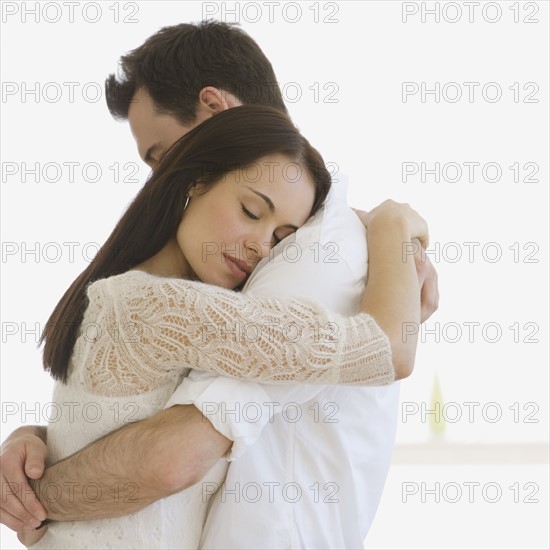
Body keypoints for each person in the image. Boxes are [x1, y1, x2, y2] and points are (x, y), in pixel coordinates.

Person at [1, 21, 437, 549]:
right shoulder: (176, 298)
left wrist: (392, 226)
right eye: (252, 212)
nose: (161, 177)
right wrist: (39, 447)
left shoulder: (312, 256)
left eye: (160, 155)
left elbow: (167, 460)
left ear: (214, 115)